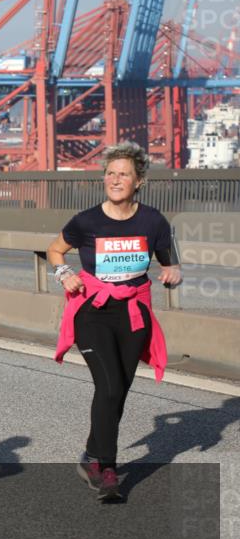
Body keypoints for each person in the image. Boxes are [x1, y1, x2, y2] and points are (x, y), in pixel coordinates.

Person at [49, 141, 182, 502]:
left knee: (119, 390)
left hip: (133, 313)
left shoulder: (153, 221)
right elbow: (55, 249)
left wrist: (172, 273)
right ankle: (106, 468)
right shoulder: (87, 221)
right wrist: (65, 274)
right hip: (93, 311)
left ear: (139, 181)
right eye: (110, 173)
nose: (115, 179)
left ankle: (91, 454)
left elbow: (170, 261)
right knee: (108, 387)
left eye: (123, 174)